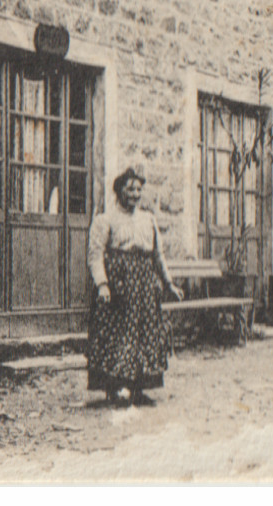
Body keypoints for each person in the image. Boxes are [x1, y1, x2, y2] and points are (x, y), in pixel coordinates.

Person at [87, 168, 181, 406]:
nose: (134, 194)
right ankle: (116, 387)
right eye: (130, 189)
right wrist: (102, 285)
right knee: (118, 335)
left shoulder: (148, 219)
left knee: (145, 334)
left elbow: (158, 255)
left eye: (138, 189)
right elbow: (95, 255)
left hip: (145, 286)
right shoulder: (105, 220)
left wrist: (168, 283)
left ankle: (139, 387)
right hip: (118, 287)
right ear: (119, 191)